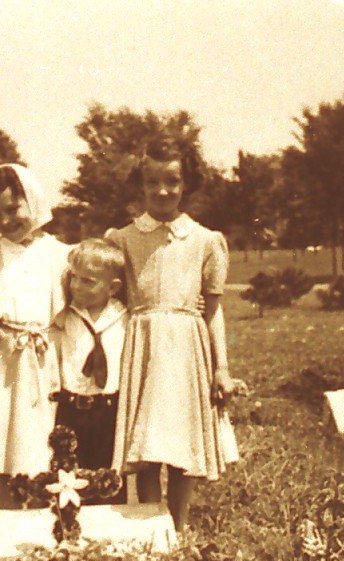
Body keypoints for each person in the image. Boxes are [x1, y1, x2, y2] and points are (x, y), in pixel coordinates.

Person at [106, 136, 235, 532]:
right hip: (141, 345)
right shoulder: (124, 239)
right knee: (147, 445)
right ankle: (151, 529)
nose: (162, 191)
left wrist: (221, 368)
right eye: (153, 182)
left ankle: (177, 529)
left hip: (185, 349)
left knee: (179, 444)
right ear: (140, 185)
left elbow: (212, 311)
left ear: (186, 184)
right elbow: (111, 299)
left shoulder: (203, 240)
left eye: (172, 181)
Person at [0, 164, 69, 508]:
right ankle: (8, 520)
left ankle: (51, 521)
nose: (6, 220)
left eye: (13, 209)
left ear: (33, 200)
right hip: (5, 368)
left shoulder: (60, 255)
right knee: (8, 449)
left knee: (48, 450)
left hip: (48, 360)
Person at [49, 238, 128, 503]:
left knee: (108, 479)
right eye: (74, 278)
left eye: (88, 281)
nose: (76, 286)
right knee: (67, 480)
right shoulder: (64, 315)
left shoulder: (125, 317)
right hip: (71, 410)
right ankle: (69, 532)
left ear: (113, 287)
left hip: (109, 410)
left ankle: (107, 536)